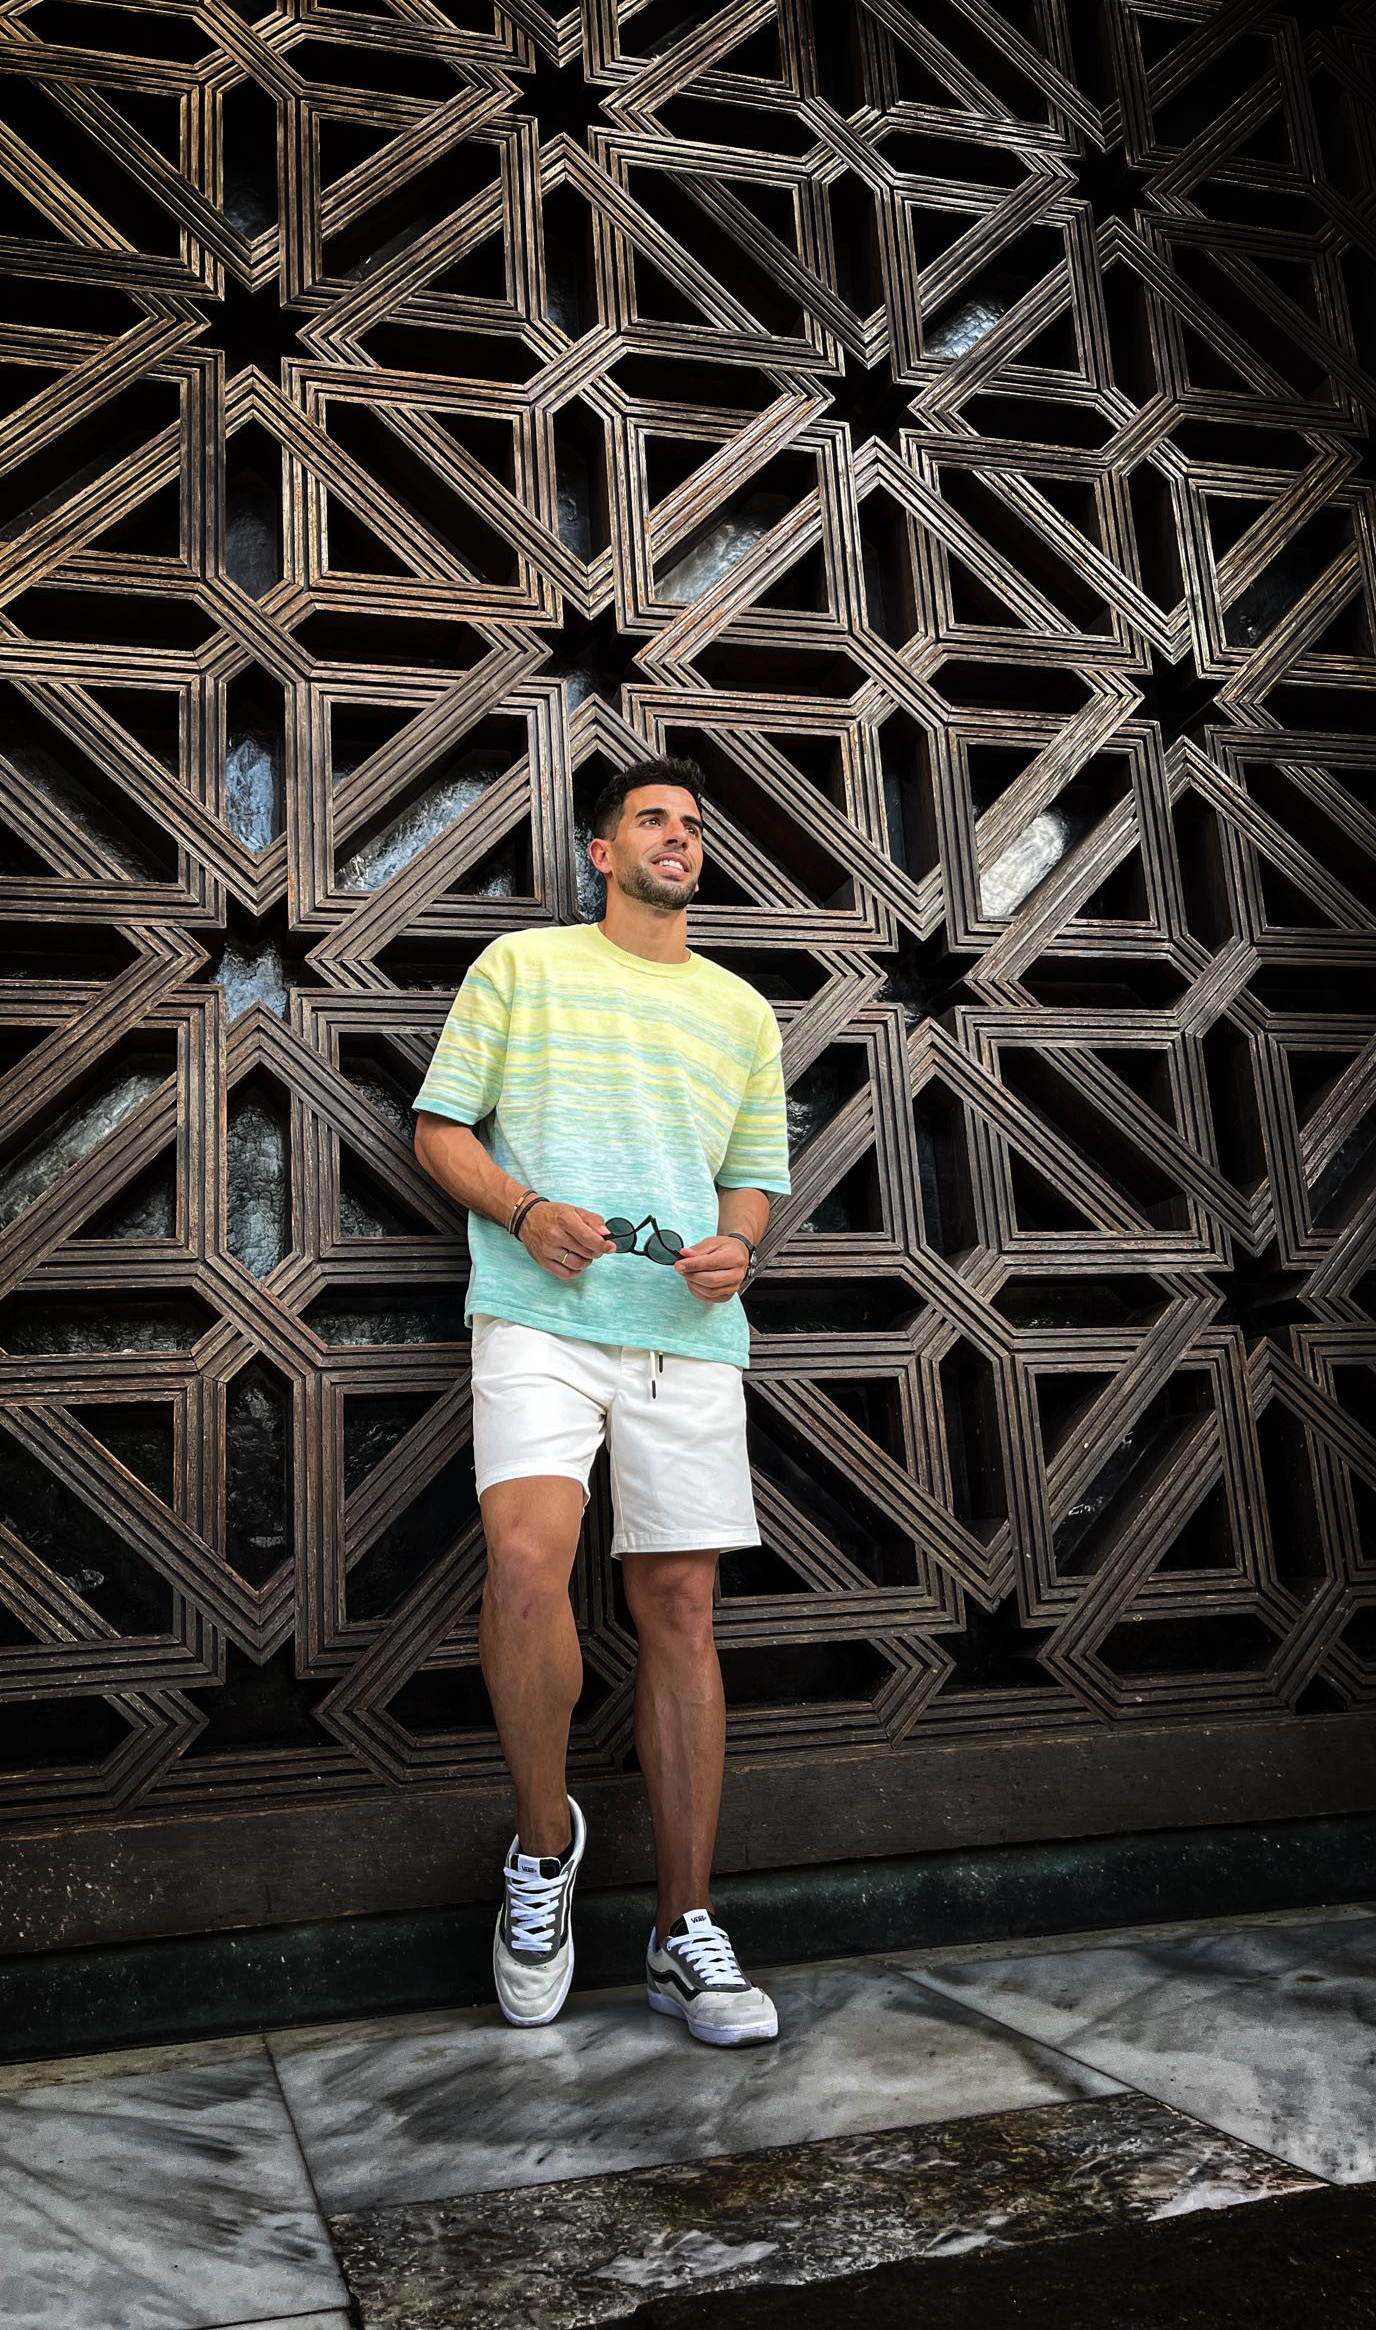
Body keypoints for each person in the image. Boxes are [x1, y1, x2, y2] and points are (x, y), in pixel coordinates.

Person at [410, 756, 791, 2047]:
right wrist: (523, 1210)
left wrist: (742, 1245)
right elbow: (440, 1130)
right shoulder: (522, 968)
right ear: (601, 849)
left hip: (687, 1331)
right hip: (539, 1315)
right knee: (525, 1566)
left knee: (681, 1609)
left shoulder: (741, 1009)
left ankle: (686, 1929)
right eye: (653, 820)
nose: (678, 837)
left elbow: (752, 1178)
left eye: (693, 825)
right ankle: (543, 1848)